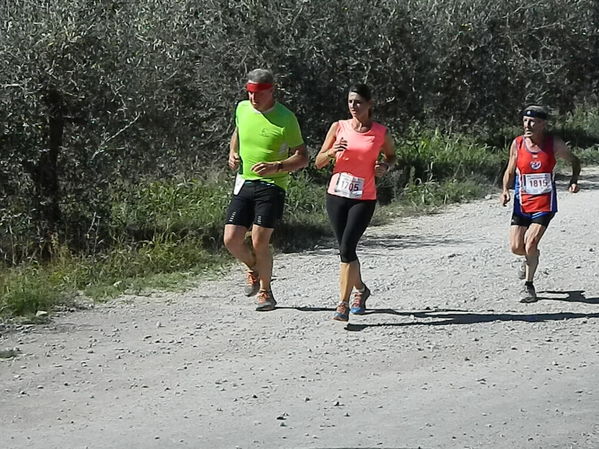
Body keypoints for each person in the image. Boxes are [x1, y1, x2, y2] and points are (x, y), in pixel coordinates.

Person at [223, 68, 308, 311]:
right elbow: (238, 132)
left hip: (273, 184)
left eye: (259, 93)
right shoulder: (242, 109)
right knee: (231, 240)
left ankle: (266, 292)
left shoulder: (286, 118)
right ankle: (253, 268)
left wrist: (277, 166)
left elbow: (302, 157)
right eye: (249, 93)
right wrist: (233, 152)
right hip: (245, 181)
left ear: (272, 90)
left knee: (260, 240)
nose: (253, 98)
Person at [314, 83, 396, 321]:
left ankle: (342, 304)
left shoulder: (380, 132)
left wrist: (385, 167)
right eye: (350, 102)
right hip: (337, 195)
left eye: (358, 102)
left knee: (348, 247)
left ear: (370, 104)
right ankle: (360, 288)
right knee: (345, 250)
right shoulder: (338, 127)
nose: (353, 106)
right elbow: (318, 162)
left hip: (363, 197)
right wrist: (331, 153)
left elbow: (392, 156)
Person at [501, 105, 580, 302]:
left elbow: (575, 161)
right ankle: (530, 258)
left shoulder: (554, 144)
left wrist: (574, 180)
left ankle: (529, 286)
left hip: (544, 204)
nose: (527, 125)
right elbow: (510, 170)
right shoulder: (518, 144)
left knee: (531, 242)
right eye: (525, 121)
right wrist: (505, 190)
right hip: (522, 203)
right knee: (516, 247)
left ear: (543, 124)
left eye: (532, 121)